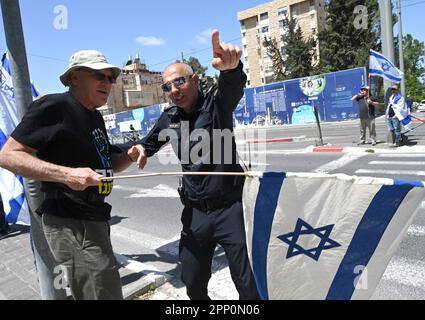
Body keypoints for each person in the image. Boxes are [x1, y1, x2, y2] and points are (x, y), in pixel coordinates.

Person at [0, 49, 146, 299]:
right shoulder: (55, 105)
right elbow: (8, 155)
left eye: (111, 78)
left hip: (95, 218)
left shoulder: (95, 117)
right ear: (75, 77)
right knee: (103, 293)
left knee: (102, 290)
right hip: (72, 221)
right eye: (100, 75)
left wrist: (130, 156)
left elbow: (109, 163)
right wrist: (67, 175)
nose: (108, 83)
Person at [134, 30, 259, 300]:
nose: (173, 90)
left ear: (194, 79)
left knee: (248, 284)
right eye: (167, 86)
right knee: (192, 280)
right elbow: (149, 143)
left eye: (179, 81)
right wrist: (141, 148)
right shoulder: (169, 119)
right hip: (195, 214)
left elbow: (232, 87)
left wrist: (231, 69)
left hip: (230, 210)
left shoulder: (216, 105)